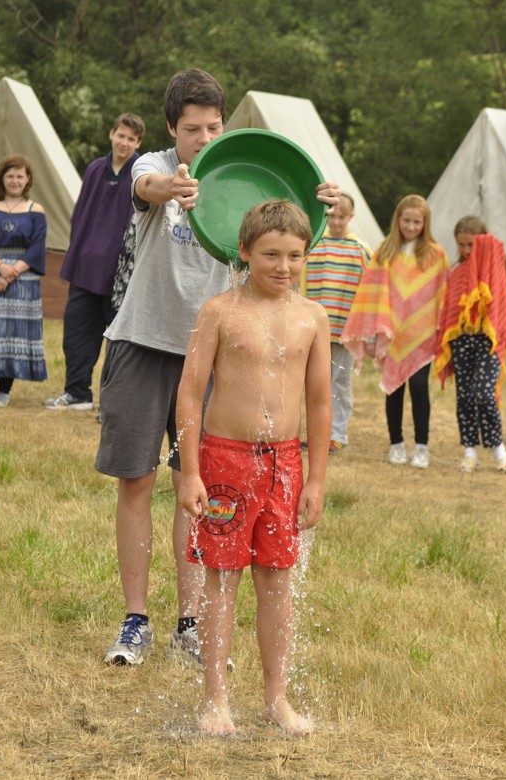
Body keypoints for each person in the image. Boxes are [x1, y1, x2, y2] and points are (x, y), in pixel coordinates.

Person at [96, 68, 339, 668]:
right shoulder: (157, 165)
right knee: (137, 482)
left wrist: (323, 203)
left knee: (198, 487)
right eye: (192, 129)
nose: (204, 139)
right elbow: (146, 186)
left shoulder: (240, 175)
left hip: (212, 356)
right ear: (172, 129)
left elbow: (286, 226)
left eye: (213, 127)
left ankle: (189, 623)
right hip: (143, 341)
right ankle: (135, 619)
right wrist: (172, 187)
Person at [177, 199, 332, 736]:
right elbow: (190, 392)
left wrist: (315, 478)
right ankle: (215, 700)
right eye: (271, 254)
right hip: (225, 460)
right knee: (221, 579)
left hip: (284, 465)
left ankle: (276, 699)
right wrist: (191, 471)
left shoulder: (313, 318)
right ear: (244, 251)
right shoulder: (220, 311)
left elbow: (320, 402)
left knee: (277, 580)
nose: (283, 266)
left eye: (294, 255)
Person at [43, 113, 145, 411]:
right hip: (85, 270)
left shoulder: (141, 172)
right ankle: (77, 393)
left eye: (131, 139)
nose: (124, 142)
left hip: (121, 275)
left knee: (121, 343)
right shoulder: (95, 168)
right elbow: (80, 214)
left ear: (138, 143)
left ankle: (112, 404)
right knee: (76, 333)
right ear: (111, 134)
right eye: (121, 135)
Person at [341, 195, 449, 469]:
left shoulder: (436, 254)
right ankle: (396, 444)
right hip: (390, 333)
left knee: (419, 387)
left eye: (417, 222)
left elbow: (443, 294)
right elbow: (372, 292)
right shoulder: (386, 252)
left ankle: (422, 447)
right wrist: (372, 333)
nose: (411, 227)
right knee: (394, 389)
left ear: (425, 223)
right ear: (397, 220)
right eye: (406, 220)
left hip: (422, 335)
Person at [435, 216, 506, 473]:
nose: (465, 250)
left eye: (470, 245)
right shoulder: (457, 272)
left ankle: (499, 450)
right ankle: (469, 452)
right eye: (461, 245)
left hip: (488, 342)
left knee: (484, 393)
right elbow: (451, 309)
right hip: (461, 341)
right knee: (465, 397)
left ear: (483, 241)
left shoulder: (496, 269)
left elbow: (503, 305)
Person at [302, 192, 372, 454]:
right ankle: (316, 432)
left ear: (351, 217)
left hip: (345, 331)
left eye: (342, 217)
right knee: (316, 382)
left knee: (340, 382)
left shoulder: (360, 249)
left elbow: (371, 289)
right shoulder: (315, 245)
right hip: (316, 330)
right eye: (333, 217)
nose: (337, 222)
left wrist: (364, 328)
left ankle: (337, 433)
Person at [0, 155, 47, 406]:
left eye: (19, 176)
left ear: (27, 179)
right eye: (10, 176)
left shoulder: (35, 211)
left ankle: (3, 391)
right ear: (1, 179)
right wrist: (0, 267)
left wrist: (11, 273)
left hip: (23, 279)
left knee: (12, 332)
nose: (15, 180)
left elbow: (36, 248)